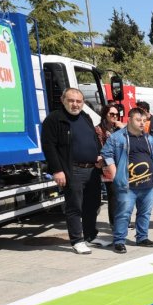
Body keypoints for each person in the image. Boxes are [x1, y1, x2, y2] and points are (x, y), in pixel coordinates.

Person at [42, 88, 103, 254]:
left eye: (78, 101)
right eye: (71, 100)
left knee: (93, 204)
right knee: (75, 206)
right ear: (63, 100)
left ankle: (91, 235)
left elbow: (93, 139)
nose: (75, 104)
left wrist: (98, 156)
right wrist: (57, 170)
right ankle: (77, 240)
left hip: (92, 169)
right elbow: (49, 147)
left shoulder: (85, 117)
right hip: (72, 170)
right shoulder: (54, 119)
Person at [100, 107, 153, 253]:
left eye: (144, 121)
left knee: (145, 212)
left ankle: (142, 238)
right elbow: (106, 153)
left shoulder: (148, 138)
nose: (142, 123)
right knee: (124, 213)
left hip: (148, 184)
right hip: (128, 185)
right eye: (138, 120)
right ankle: (119, 240)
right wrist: (115, 173)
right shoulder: (117, 137)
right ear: (129, 120)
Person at [95, 105, 123, 229]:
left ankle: (122, 220)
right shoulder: (99, 129)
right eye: (112, 114)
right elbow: (101, 148)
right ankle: (114, 223)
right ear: (105, 115)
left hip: (121, 164)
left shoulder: (118, 128)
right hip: (106, 165)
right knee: (113, 194)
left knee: (122, 193)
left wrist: (123, 129)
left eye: (117, 114)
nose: (115, 116)